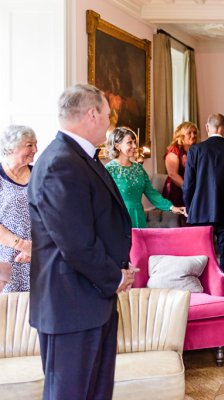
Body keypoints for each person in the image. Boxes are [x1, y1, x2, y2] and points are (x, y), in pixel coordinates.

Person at [28, 84, 136, 399]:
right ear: (92, 114)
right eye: (106, 113)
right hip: (70, 304)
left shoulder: (79, 158)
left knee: (96, 392)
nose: (108, 122)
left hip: (89, 300)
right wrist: (115, 276)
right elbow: (75, 242)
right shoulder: (61, 162)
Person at [184, 113, 224, 297]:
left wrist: (189, 206)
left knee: (201, 259)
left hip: (200, 213)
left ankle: (205, 300)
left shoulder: (195, 150)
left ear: (207, 127)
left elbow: (188, 185)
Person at [105, 127, 185, 228]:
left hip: (139, 217)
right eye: (129, 142)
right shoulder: (109, 170)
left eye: (134, 142)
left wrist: (172, 207)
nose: (134, 146)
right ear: (117, 146)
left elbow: (152, 193)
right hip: (119, 219)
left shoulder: (138, 168)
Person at [0, 125, 36, 292]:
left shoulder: (38, 175)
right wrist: (23, 245)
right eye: (29, 145)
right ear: (11, 147)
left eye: (35, 144)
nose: (35, 149)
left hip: (37, 255)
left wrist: (35, 248)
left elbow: (51, 214)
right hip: (6, 258)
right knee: (9, 314)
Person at [162, 121, 198, 217]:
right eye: (189, 133)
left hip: (192, 188)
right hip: (176, 189)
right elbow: (172, 174)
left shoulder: (196, 149)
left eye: (194, 133)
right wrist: (188, 189)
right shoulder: (174, 150)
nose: (193, 135)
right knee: (178, 219)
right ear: (181, 136)